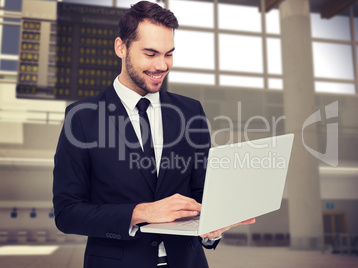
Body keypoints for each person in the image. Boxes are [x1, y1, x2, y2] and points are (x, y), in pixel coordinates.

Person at [53, 1, 254, 267]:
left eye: (168, 54)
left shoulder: (190, 112)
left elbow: (203, 192)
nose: (162, 65)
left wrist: (211, 228)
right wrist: (140, 213)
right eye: (150, 54)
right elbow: (67, 213)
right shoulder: (82, 118)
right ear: (121, 48)